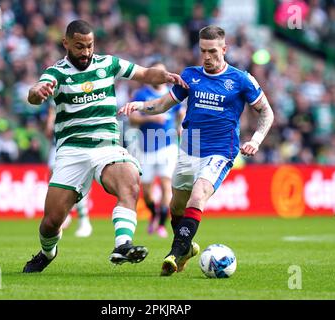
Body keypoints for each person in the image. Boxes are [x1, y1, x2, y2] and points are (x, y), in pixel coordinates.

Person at [23, 19, 188, 273]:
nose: (86, 52)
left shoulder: (108, 64)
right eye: (79, 46)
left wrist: (164, 76)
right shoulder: (56, 73)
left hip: (106, 145)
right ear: (65, 43)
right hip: (71, 151)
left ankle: (123, 245)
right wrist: (38, 90)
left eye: (89, 46)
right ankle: (47, 252)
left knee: (130, 181)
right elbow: (34, 95)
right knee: (51, 222)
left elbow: (143, 73)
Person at [118, 25, 274, 276]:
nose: (207, 57)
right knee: (176, 206)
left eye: (213, 51)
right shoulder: (190, 76)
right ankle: (188, 248)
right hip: (189, 149)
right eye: (203, 51)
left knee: (198, 194)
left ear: (225, 49)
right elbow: (162, 105)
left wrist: (255, 140)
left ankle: (175, 253)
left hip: (221, 151)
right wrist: (139, 105)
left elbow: (266, 111)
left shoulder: (241, 79)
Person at [128, 62, 185, 238]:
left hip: (168, 145)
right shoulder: (141, 94)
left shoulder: (172, 93)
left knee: (167, 184)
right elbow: (132, 120)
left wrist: (181, 125)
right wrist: (149, 118)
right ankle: (154, 214)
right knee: (146, 192)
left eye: (163, 71)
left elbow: (181, 114)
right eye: (157, 72)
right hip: (146, 147)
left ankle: (161, 223)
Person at [45, 106, 93, 238]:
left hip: (75, 145)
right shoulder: (56, 95)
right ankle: (64, 216)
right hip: (58, 146)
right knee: (53, 180)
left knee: (78, 184)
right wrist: (51, 121)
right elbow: (49, 131)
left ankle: (84, 220)